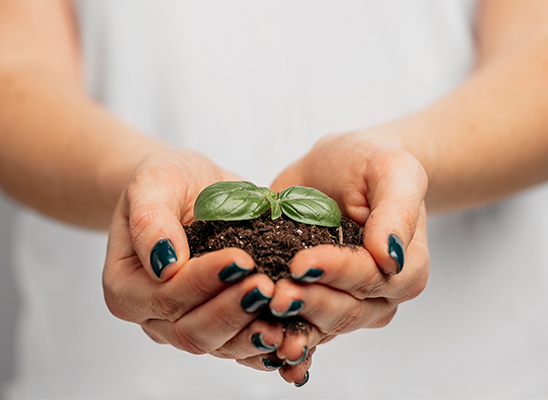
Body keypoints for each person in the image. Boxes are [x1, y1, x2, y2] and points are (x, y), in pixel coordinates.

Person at [0, 0, 547, 398]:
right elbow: (15, 71)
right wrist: (135, 184)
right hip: (107, 378)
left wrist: (403, 164)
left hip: (469, 369)